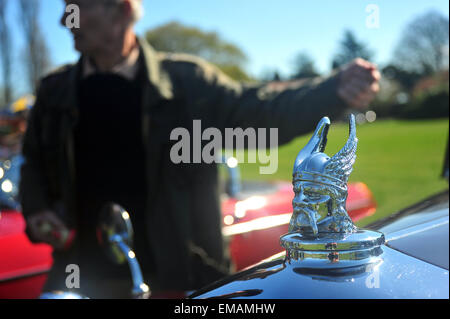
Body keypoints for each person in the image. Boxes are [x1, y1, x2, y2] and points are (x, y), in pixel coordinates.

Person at [20, 0, 380, 297]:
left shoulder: (189, 84)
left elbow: (262, 111)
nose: (65, 19)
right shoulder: (54, 93)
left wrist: (332, 91)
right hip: (80, 279)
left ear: (122, 11)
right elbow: (32, 163)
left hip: (183, 281)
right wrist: (36, 209)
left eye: (77, 7)